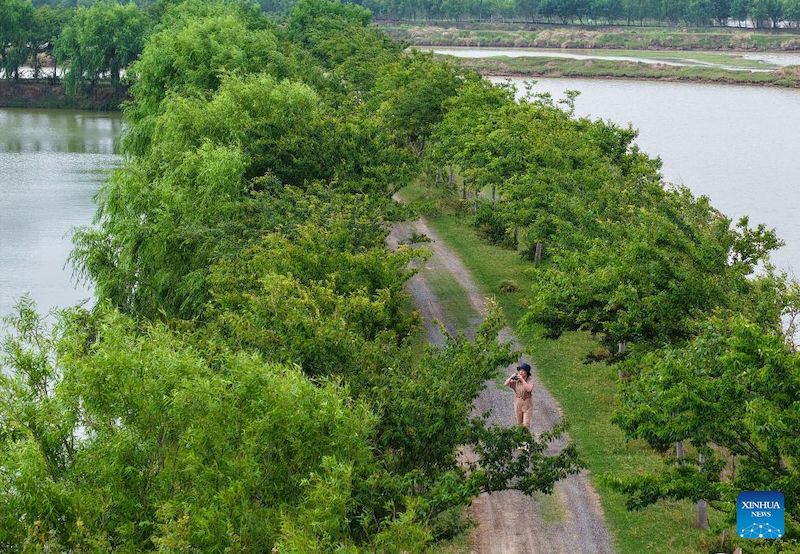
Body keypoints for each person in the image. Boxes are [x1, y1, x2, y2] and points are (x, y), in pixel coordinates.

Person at [504, 362, 533, 428]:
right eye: (520, 370)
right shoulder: (516, 381)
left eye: (523, 371)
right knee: (519, 424)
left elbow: (528, 389)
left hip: (527, 403)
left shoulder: (530, 380)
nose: (521, 372)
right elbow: (505, 384)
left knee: (526, 424)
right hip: (518, 402)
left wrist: (522, 380)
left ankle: (526, 437)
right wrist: (511, 377)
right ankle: (521, 437)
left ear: (527, 372)